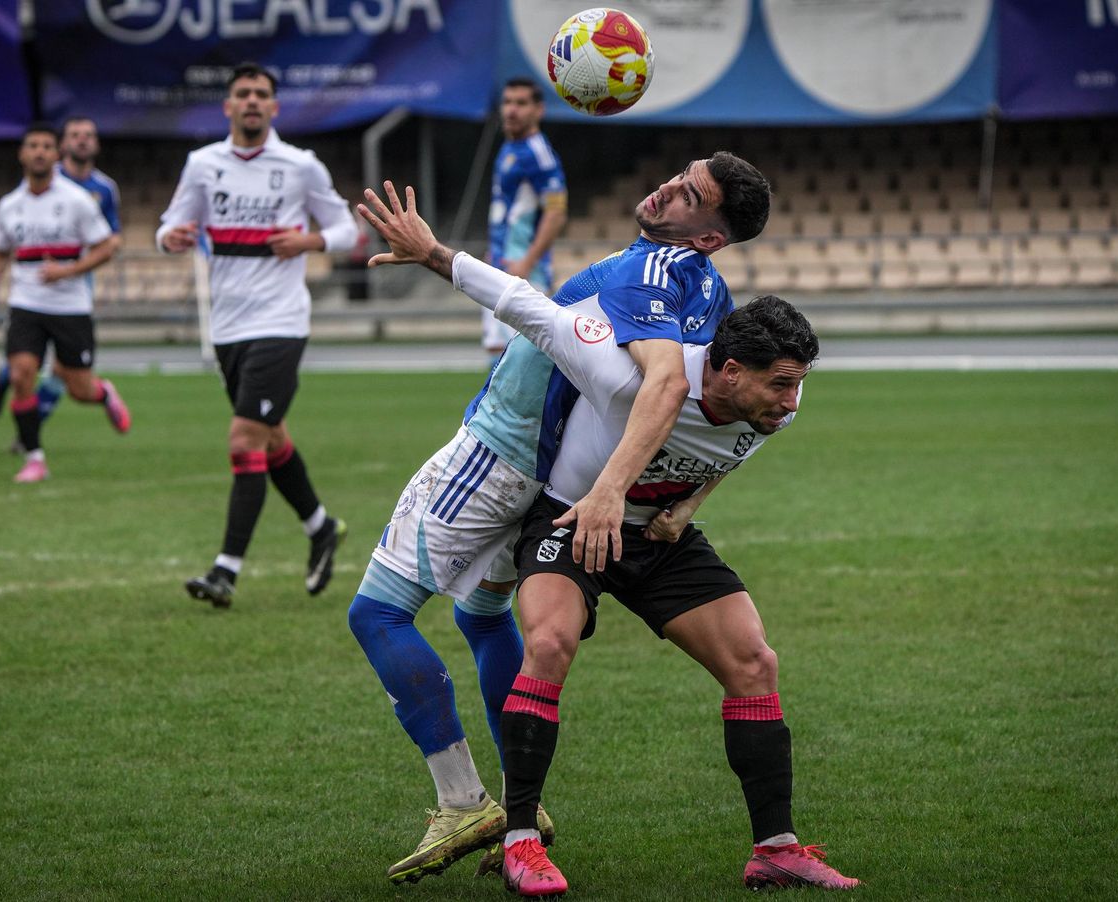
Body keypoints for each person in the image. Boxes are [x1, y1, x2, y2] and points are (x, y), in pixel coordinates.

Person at [359, 180, 860, 896]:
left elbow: (731, 447)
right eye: (778, 384)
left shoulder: (778, 402)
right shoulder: (619, 373)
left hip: (655, 531)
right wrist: (434, 252)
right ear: (725, 369)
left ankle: (775, 848)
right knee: (549, 644)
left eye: (796, 384)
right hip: (572, 518)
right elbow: (527, 307)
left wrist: (688, 505)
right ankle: (522, 839)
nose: (790, 401)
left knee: (754, 660)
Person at [157, 62, 357, 608]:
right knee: (270, 439)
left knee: (244, 438)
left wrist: (308, 242)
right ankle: (320, 526)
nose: (250, 101)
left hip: (281, 321)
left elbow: (347, 229)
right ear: (227, 106)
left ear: (274, 108)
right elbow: (169, 223)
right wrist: (168, 237)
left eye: (261, 94)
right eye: (241, 93)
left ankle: (226, 569)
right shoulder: (203, 164)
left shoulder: (300, 166)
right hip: (227, 326)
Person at [0, 123, 130, 484]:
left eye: (46, 146)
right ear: (22, 153)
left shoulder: (77, 200)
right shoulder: (9, 206)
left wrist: (69, 271)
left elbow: (108, 245)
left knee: (79, 389)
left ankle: (103, 392)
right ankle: (35, 458)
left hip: (70, 307)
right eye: (33, 146)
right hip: (26, 303)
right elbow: (1, 249)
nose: (39, 152)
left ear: (56, 154)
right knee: (21, 375)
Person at [483, 77, 568, 367]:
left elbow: (556, 212)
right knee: (497, 354)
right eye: (507, 102)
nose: (511, 110)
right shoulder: (509, 148)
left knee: (520, 363)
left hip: (523, 273)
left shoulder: (538, 153)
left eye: (521, 103)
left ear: (538, 110)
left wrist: (527, 262)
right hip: (501, 265)